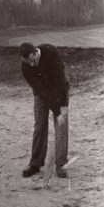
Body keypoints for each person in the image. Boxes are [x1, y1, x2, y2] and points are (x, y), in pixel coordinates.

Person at [19, 42, 69, 178]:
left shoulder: (50, 51)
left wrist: (60, 110)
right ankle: (35, 163)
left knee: (61, 126)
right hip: (42, 94)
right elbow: (42, 91)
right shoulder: (26, 67)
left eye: (33, 60)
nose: (31, 65)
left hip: (60, 91)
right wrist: (56, 111)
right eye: (27, 62)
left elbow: (60, 82)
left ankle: (61, 164)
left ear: (36, 52)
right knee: (40, 125)